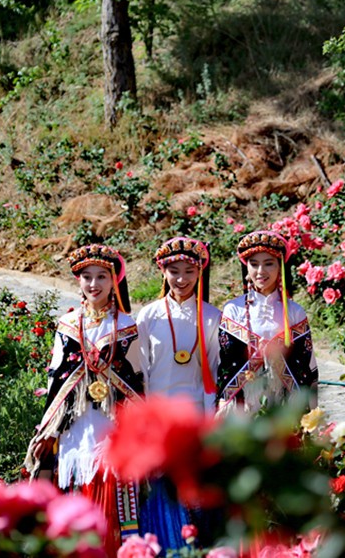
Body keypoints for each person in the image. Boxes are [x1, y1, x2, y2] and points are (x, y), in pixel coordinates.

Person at [25, 243, 143, 556]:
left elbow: (136, 381)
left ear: (114, 280)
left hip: (110, 421)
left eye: (102, 276)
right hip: (74, 421)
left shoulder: (127, 326)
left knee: (110, 483)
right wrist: (50, 427)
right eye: (87, 276)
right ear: (78, 281)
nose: (94, 284)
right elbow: (55, 377)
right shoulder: (67, 324)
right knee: (72, 478)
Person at [135, 236, 221, 551]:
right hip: (157, 420)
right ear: (163, 272)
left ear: (200, 273)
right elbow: (139, 372)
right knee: (159, 490)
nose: (181, 279)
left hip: (195, 419)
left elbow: (215, 375)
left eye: (189, 271)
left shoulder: (213, 318)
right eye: (174, 270)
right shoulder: (148, 316)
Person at [217, 231, 318, 415]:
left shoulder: (294, 312)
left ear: (280, 267)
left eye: (269, 264)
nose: (261, 271)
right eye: (254, 264)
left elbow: (306, 364)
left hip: (284, 406)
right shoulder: (233, 310)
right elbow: (225, 363)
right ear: (246, 267)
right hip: (243, 406)